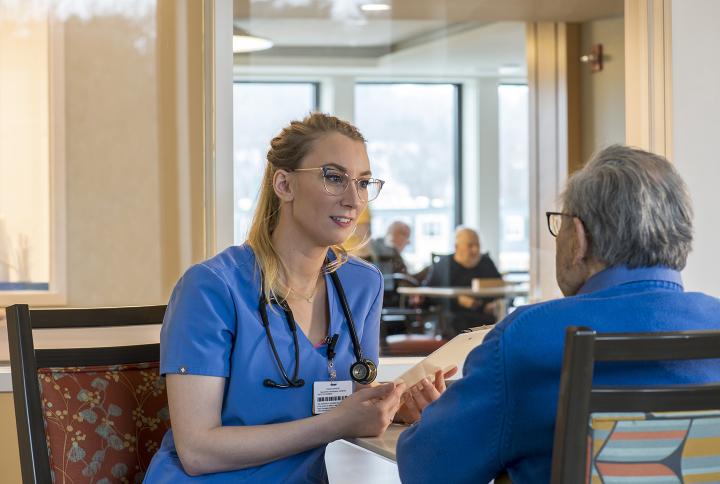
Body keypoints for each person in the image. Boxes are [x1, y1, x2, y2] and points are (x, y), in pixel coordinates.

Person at [396, 145, 720, 483]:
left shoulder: (526, 338)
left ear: (578, 238)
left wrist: (435, 419)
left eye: (559, 224)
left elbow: (428, 472)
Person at [145, 113, 411, 482]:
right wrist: (334, 423)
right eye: (334, 178)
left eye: (364, 182)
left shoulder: (362, 285)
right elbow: (197, 452)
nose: (353, 199)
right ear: (284, 184)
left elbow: (354, 404)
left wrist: (400, 409)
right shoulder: (210, 288)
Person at [424, 227, 502, 334]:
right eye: (470, 245)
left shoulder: (487, 263)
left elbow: (502, 289)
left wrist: (495, 304)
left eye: (477, 245)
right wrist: (456, 300)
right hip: (456, 320)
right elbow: (429, 295)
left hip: (487, 320)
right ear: (456, 247)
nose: (475, 250)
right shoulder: (444, 265)